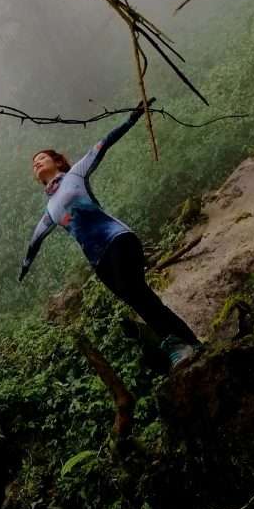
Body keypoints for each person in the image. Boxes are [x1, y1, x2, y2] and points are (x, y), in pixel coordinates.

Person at [18, 100, 203, 369]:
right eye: (34, 164)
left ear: (57, 161)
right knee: (138, 300)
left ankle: (179, 344)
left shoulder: (75, 175)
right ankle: (186, 342)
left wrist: (131, 120)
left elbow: (102, 145)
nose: (36, 164)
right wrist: (24, 267)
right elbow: (35, 241)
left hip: (117, 240)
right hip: (99, 261)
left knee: (136, 293)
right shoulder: (50, 208)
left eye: (41, 159)